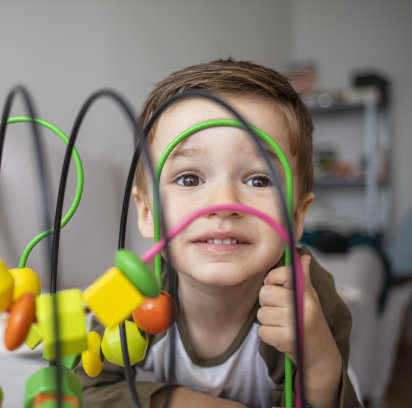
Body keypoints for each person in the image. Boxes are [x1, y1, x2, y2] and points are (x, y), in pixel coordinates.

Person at [74, 60, 362, 408]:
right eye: (190, 179)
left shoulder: (309, 300)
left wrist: (319, 365)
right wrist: (180, 401)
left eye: (258, 180)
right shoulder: (129, 296)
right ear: (147, 212)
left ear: (297, 216)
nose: (224, 204)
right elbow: (83, 389)